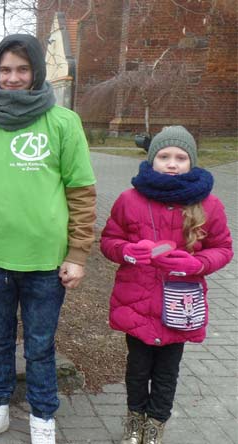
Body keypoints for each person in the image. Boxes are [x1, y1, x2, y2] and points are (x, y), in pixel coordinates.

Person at [0, 35, 97, 444]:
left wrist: (77, 254)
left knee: (39, 345)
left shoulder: (63, 122)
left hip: (46, 261)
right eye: (5, 70)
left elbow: (81, 194)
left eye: (22, 69)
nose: (13, 77)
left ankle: (42, 416)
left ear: (36, 71)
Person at [100, 126, 232, 444]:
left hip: (180, 305)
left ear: (192, 162)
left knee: (167, 371)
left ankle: (156, 424)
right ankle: (135, 418)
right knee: (137, 369)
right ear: (151, 159)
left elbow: (223, 248)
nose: (172, 164)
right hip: (137, 301)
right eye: (164, 156)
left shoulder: (209, 204)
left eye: (180, 158)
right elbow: (109, 241)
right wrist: (127, 252)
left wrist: (198, 263)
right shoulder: (129, 200)